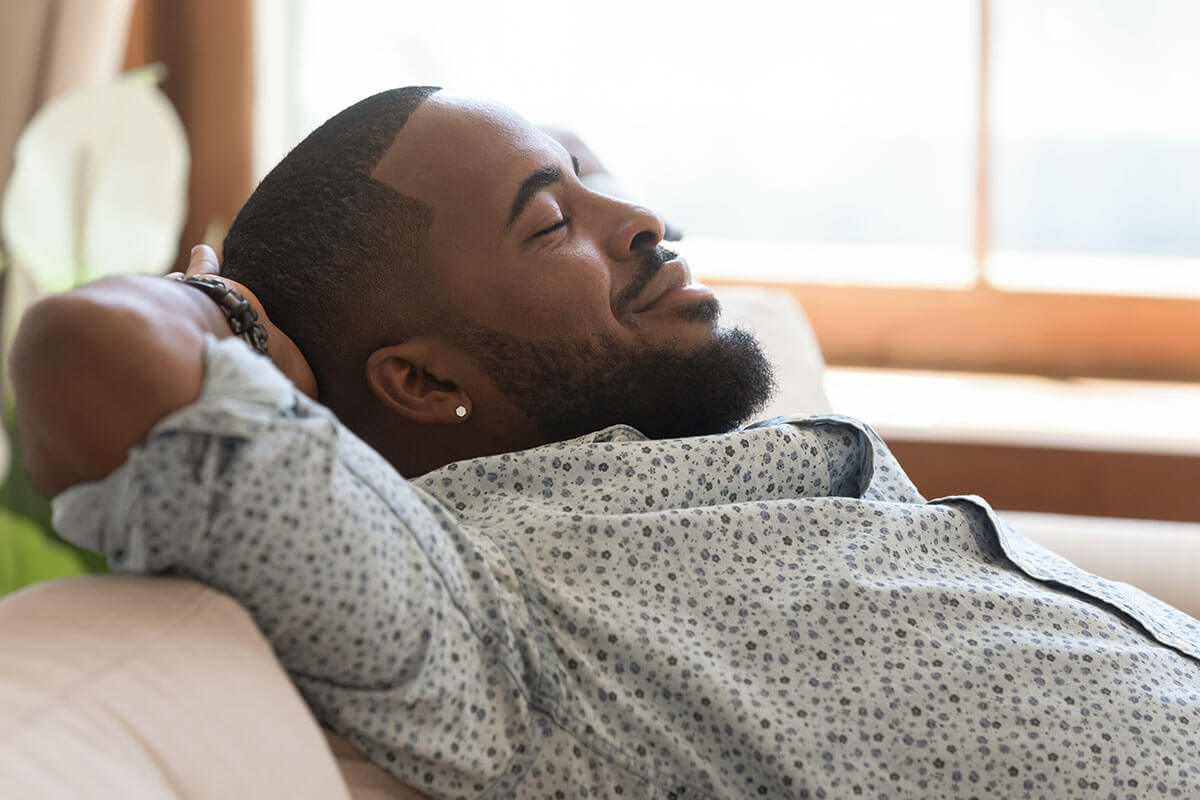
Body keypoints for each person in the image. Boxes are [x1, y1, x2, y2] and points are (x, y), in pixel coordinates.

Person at [11, 87, 1200, 800]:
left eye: (596, 175)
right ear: (421, 378)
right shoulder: (478, 599)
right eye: (552, 219)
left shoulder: (709, 471)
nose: (643, 220)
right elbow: (86, 353)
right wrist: (230, 309)